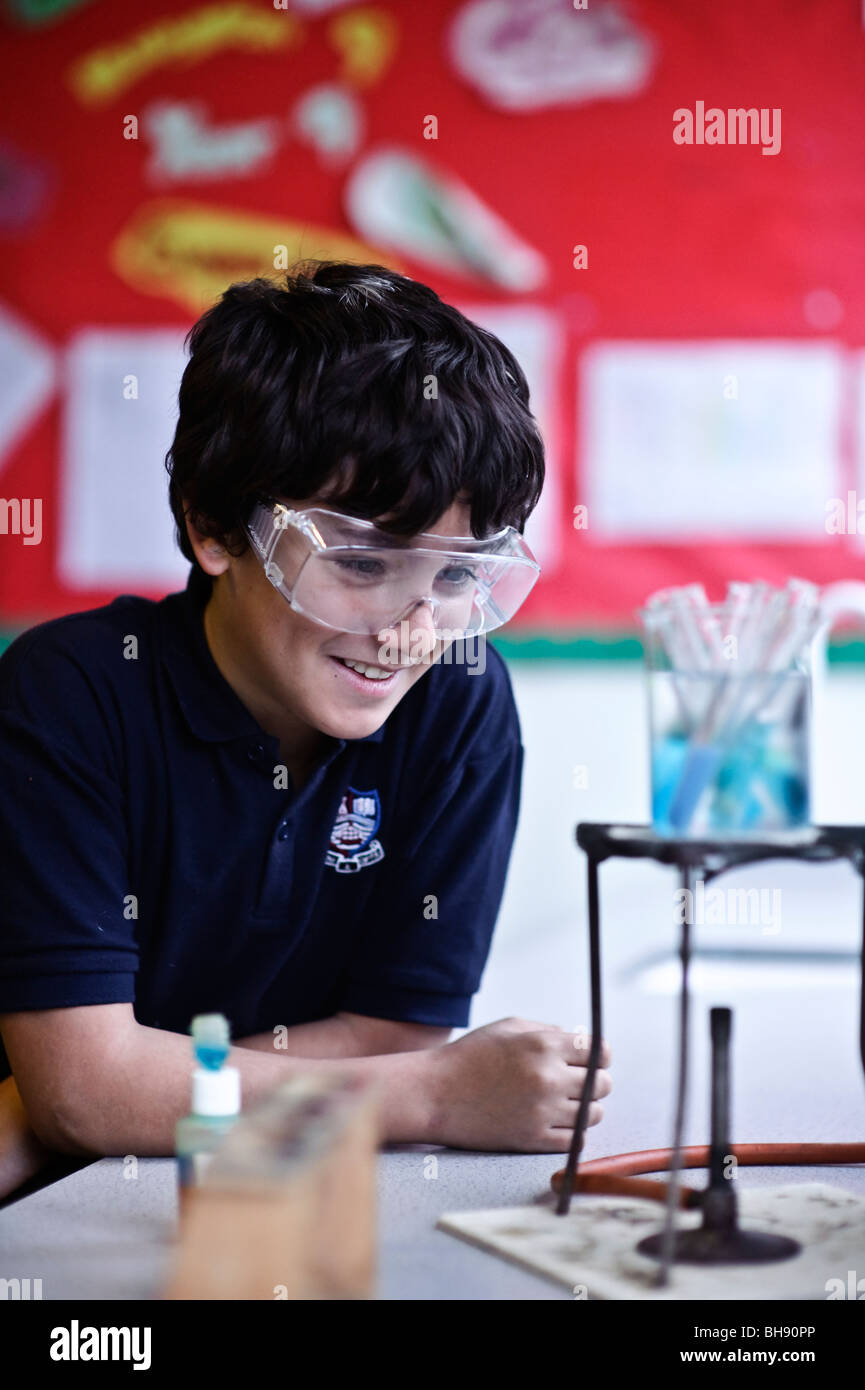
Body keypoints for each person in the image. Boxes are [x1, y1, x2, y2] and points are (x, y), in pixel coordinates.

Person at [0, 262, 611, 1195]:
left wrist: (115, 1095)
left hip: (223, 1188)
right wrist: (433, 1099)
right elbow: (89, 1087)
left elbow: (395, 1029)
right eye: (362, 564)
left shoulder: (456, 696)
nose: (410, 635)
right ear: (214, 527)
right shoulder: (70, 695)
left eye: (454, 578)